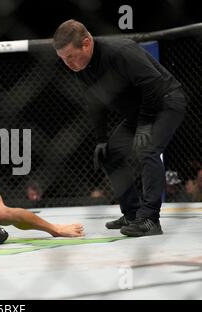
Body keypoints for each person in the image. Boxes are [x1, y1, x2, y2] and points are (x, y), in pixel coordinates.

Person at [53, 20, 187, 237]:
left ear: (86, 44)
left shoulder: (120, 51)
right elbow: (94, 103)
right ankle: (133, 213)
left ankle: (150, 219)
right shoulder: (81, 66)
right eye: (63, 59)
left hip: (166, 101)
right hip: (140, 111)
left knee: (147, 149)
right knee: (110, 154)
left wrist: (144, 125)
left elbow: (152, 85)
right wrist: (102, 139)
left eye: (69, 56)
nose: (67, 63)